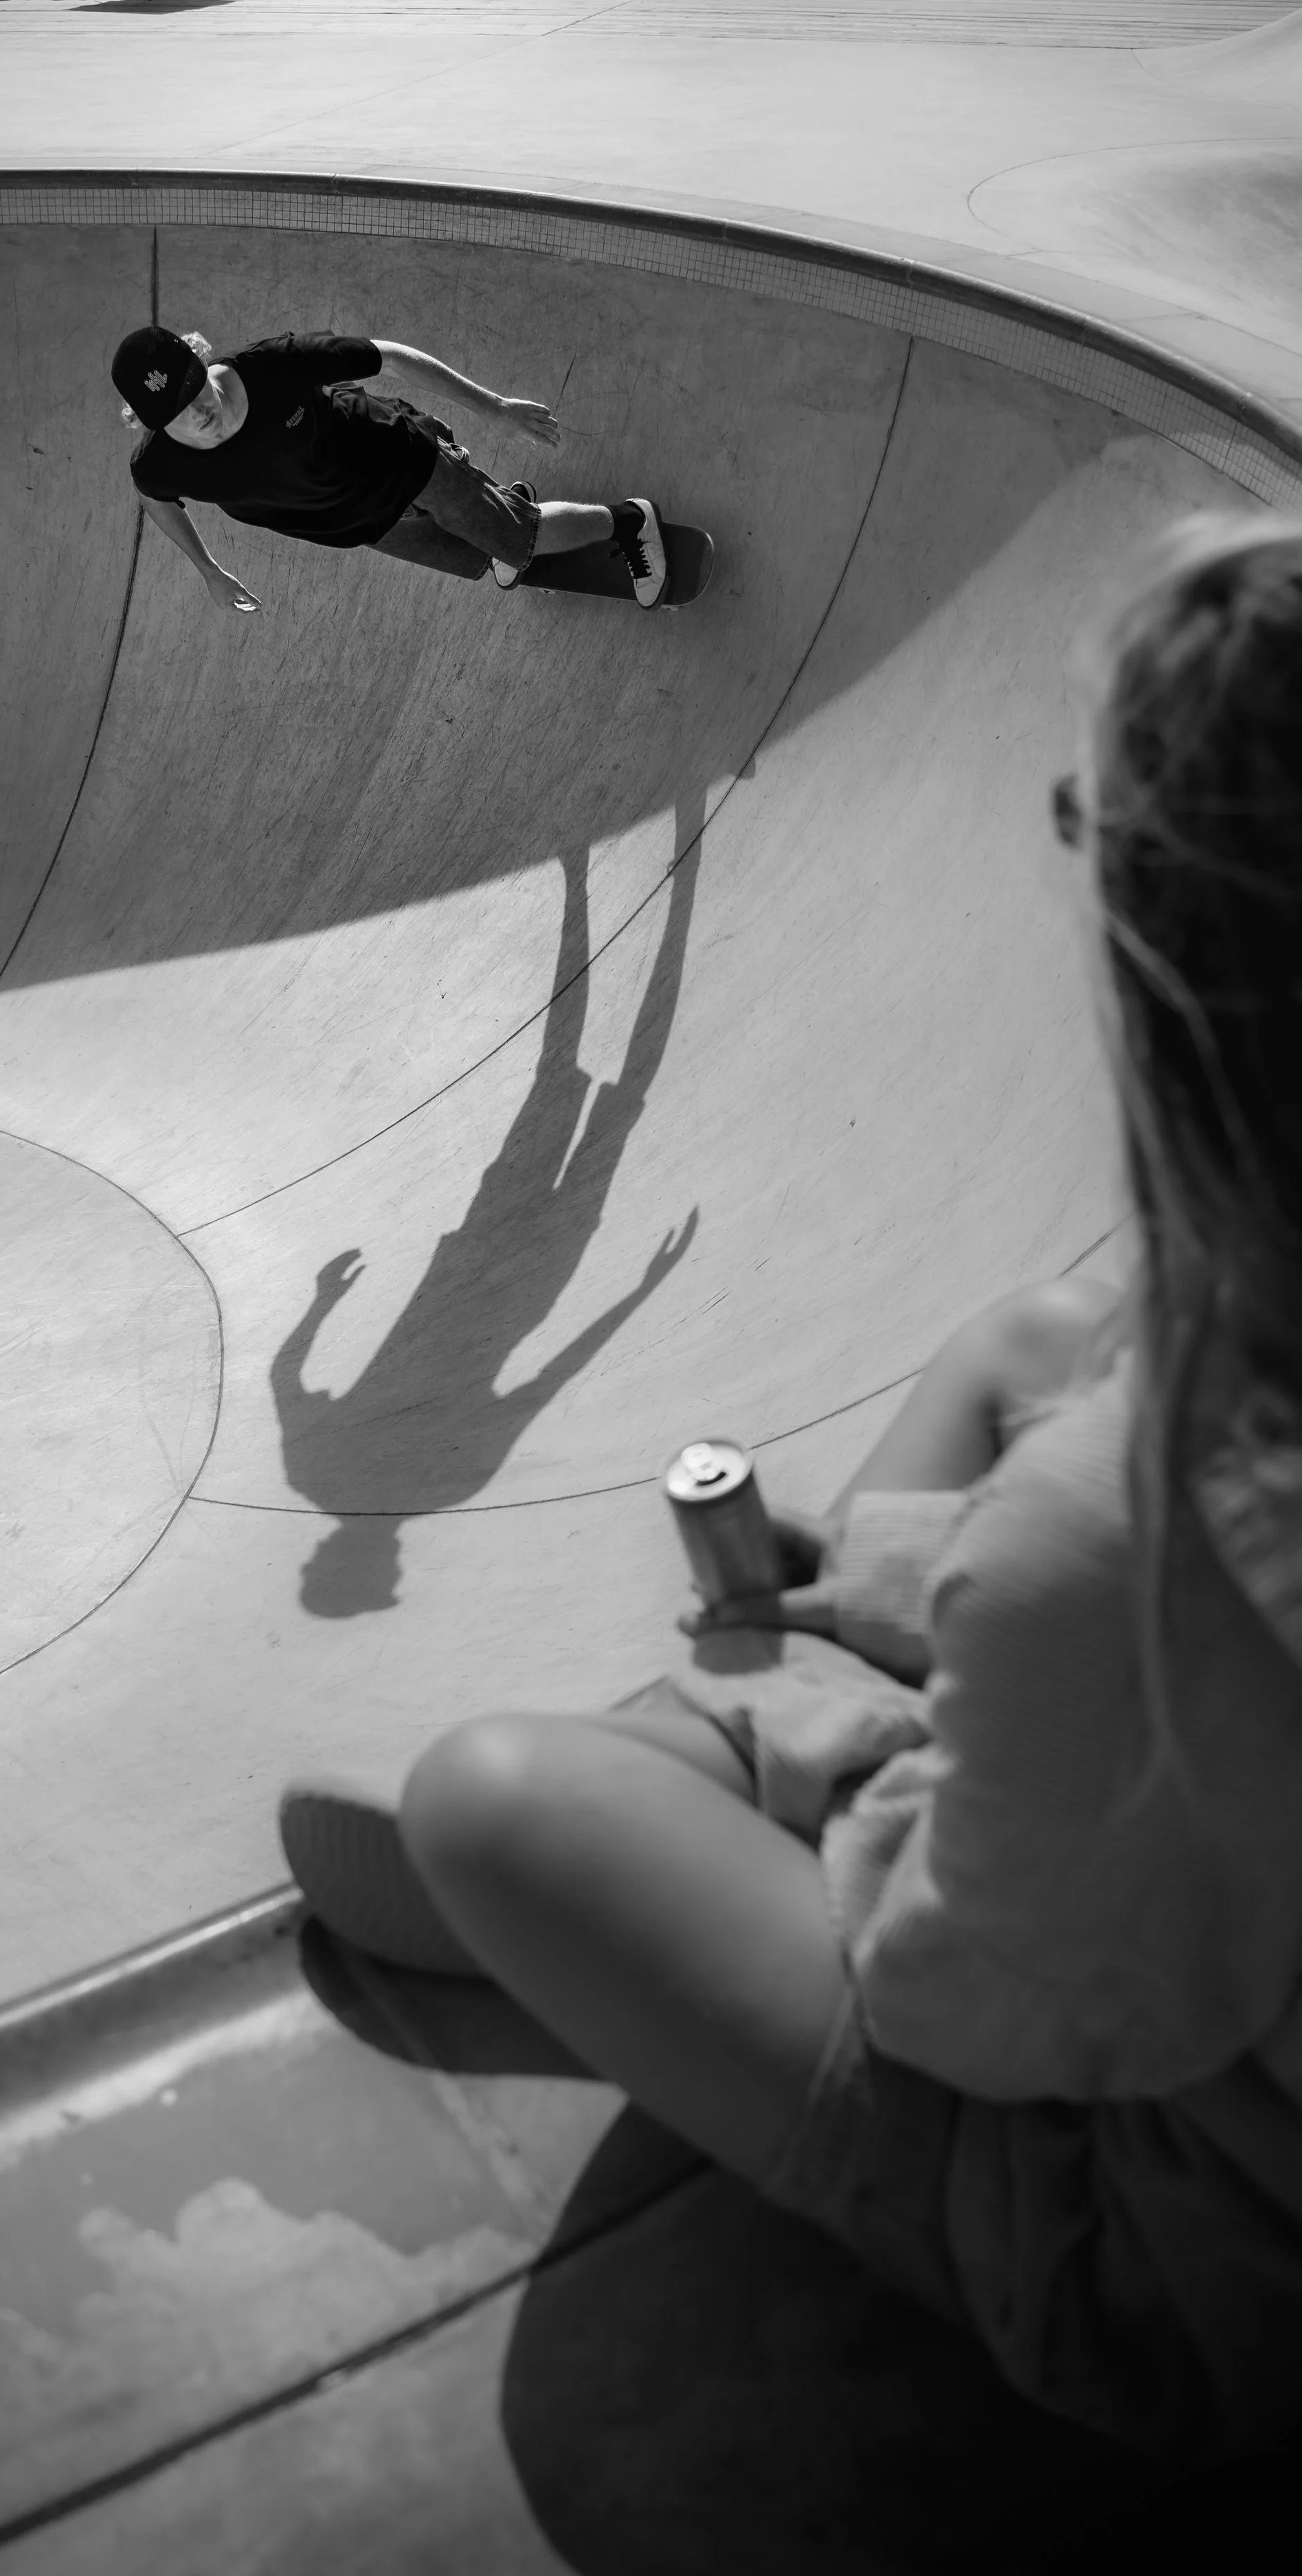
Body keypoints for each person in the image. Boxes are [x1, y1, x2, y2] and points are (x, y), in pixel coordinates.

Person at [279, 515, 1302, 2458]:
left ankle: (689, 1757)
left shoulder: (1129, 1541)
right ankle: (747, 1710)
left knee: (504, 1796)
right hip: (1144, 1753)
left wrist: (856, 1747)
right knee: (1021, 1333)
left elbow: (973, 2002)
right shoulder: (1140, 1492)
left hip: (1196, 2255)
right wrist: (980, 1600)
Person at [111, 323, 668, 612]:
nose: (201, 411)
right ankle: (503, 508)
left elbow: (391, 359)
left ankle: (630, 520)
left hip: (407, 462)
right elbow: (155, 498)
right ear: (149, 423)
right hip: (367, 527)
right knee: (481, 562)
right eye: (179, 413)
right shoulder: (163, 463)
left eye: (197, 388)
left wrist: (495, 407)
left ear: (201, 358)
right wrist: (208, 568)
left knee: (518, 543)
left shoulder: (275, 367)